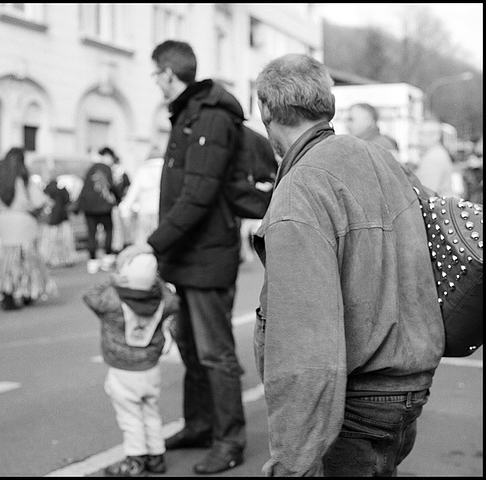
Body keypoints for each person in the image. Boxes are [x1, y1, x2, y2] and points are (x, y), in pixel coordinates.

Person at [252, 53, 445, 476]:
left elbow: (305, 344)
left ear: (266, 109)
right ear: (328, 105)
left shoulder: (300, 190)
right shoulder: (377, 157)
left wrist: (292, 460)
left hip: (360, 401)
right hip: (408, 386)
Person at [116, 40, 246, 475]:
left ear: (169, 74)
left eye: (156, 73)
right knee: (190, 346)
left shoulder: (210, 115)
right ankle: (200, 424)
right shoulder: (190, 113)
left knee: (215, 353)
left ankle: (229, 440)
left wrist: (151, 243)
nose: (154, 81)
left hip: (207, 255)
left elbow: (199, 193)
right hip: (189, 256)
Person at [83, 253, 180, 477]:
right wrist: (156, 282)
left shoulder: (113, 302)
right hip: (150, 368)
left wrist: (113, 279)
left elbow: (90, 296)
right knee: (150, 411)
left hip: (122, 370)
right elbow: (174, 300)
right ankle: (156, 456)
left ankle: (136, 459)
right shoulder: (163, 301)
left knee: (130, 416)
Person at [0, 147, 55, 310]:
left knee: (7, 262)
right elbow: (39, 202)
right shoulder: (25, 181)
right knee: (26, 261)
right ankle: (27, 291)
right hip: (24, 224)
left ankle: (7, 295)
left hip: (4, 224)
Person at [76, 149, 121, 274]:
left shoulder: (90, 169)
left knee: (91, 233)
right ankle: (107, 258)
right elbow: (112, 187)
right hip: (104, 207)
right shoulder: (107, 169)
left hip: (89, 207)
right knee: (108, 231)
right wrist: (119, 198)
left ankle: (93, 261)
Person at [118, 147, 163, 244]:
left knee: (143, 242)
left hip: (145, 211)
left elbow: (133, 192)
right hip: (161, 211)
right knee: (160, 243)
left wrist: (125, 207)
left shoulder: (142, 171)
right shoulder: (165, 171)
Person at [39, 177, 78, 267]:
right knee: (65, 240)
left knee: (50, 241)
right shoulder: (63, 192)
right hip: (63, 219)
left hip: (51, 221)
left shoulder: (46, 193)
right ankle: (67, 259)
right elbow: (68, 203)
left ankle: (51, 259)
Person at [100, 146, 132, 253]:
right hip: (115, 205)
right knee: (117, 228)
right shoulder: (109, 173)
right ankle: (118, 248)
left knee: (120, 228)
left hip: (120, 204)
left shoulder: (121, 174)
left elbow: (127, 188)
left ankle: (121, 248)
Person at [413, 119, 455, 197]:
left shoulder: (433, 158)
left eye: (422, 134)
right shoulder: (437, 152)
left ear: (436, 136)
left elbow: (426, 192)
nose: (419, 138)